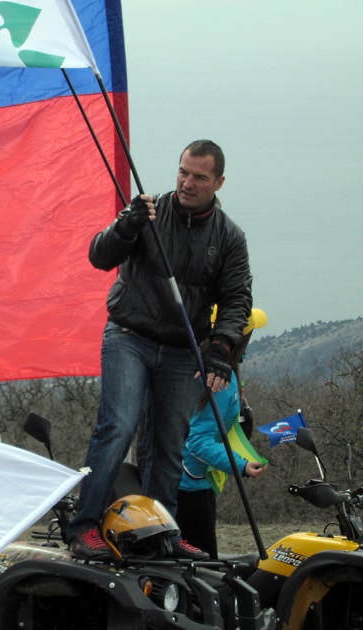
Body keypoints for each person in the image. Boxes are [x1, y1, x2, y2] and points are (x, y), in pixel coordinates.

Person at [65, 140, 253, 561]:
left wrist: (222, 347)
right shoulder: (147, 214)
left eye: (199, 177)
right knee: (118, 425)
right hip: (129, 334)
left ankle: (162, 534)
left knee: (170, 445)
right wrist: (126, 225)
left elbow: (238, 298)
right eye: (183, 172)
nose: (188, 183)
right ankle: (84, 527)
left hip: (183, 349)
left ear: (218, 181)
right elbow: (99, 255)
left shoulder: (229, 237)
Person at [176, 309, 269, 559]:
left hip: (196, 482)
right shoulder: (218, 382)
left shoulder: (220, 370)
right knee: (204, 565)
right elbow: (197, 440)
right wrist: (241, 465)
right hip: (187, 490)